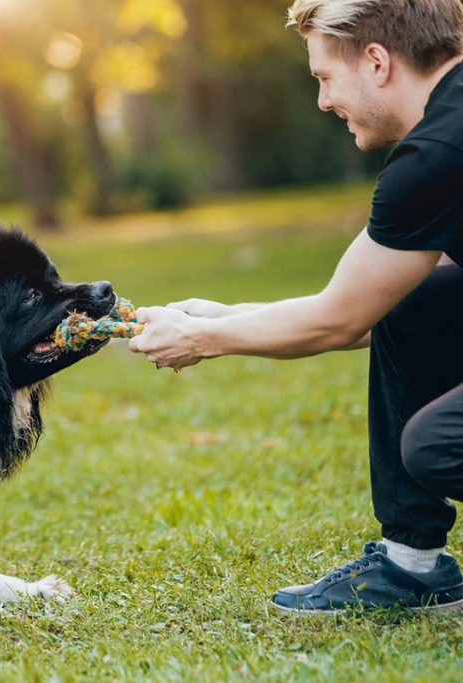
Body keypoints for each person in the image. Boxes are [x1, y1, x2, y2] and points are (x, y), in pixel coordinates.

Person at [128, 0, 463, 614]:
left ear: (377, 61)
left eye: (323, 78)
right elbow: (372, 302)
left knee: (440, 444)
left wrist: (203, 339)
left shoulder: (438, 155)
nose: (322, 101)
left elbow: (339, 319)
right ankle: (412, 567)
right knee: (421, 299)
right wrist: (221, 315)